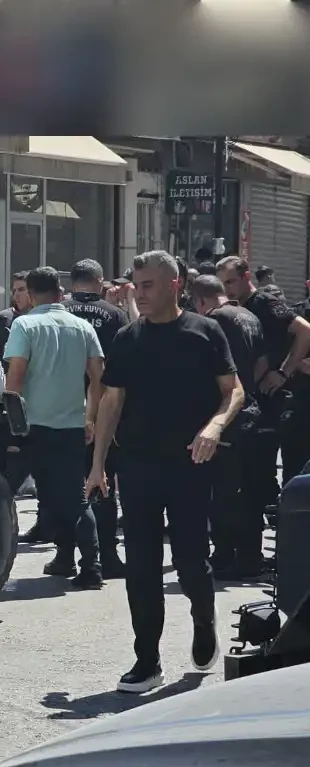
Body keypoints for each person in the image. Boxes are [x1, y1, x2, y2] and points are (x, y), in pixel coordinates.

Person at [88, 250, 244, 694]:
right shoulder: (128, 338)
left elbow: (233, 391)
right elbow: (110, 402)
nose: (139, 292)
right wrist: (98, 465)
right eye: (136, 285)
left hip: (190, 464)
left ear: (174, 285)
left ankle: (202, 618)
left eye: (148, 285)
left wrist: (214, 426)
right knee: (141, 564)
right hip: (136, 465)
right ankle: (146, 659)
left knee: (191, 560)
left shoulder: (205, 331)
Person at [4, 266, 106, 589]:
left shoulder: (24, 324)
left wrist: (10, 420)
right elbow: (98, 377)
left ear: (30, 296)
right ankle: (69, 558)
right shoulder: (82, 327)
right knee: (64, 494)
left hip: (33, 425)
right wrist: (90, 417)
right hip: (73, 426)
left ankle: (90, 565)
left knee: (21, 490)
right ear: (60, 293)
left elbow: (15, 376)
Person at [190, 274, 266, 580]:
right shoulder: (249, 315)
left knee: (224, 491)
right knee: (250, 489)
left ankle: (225, 555)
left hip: (227, 413)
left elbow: (208, 367)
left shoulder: (216, 319)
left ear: (201, 300)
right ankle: (250, 554)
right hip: (251, 410)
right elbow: (262, 361)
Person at [217, 256, 310, 490]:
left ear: (246, 277)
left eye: (230, 282)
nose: (227, 289)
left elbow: (305, 331)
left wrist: (283, 371)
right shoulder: (233, 309)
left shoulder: (264, 303)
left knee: (291, 466)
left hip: (284, 399)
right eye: (222, 284)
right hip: (256, 399)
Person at [64, 259, 131, 579]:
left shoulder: (58, 312)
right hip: (105, 408)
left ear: (73, 280)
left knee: (66, 485)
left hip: (62, 410)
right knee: (102, 480)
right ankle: (107, 554)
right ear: (100, 281)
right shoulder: (116, 315)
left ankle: (65, 554)